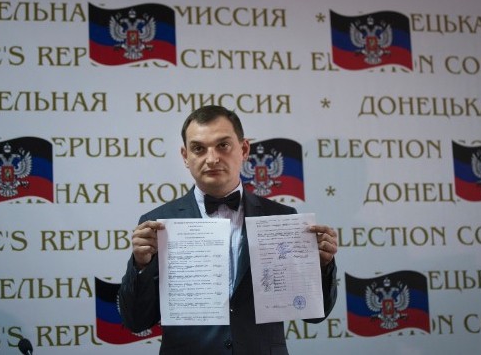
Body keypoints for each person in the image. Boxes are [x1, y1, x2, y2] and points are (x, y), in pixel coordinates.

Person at [119, 105, 338, 355]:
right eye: (199, 148)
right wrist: (140, 265)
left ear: (244, 149)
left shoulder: (283, 218)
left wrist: (321, 265)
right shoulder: (157, 223)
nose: (211, 158)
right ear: (185, 156)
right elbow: (135, 321)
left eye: (223, 145)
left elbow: (314, 316)